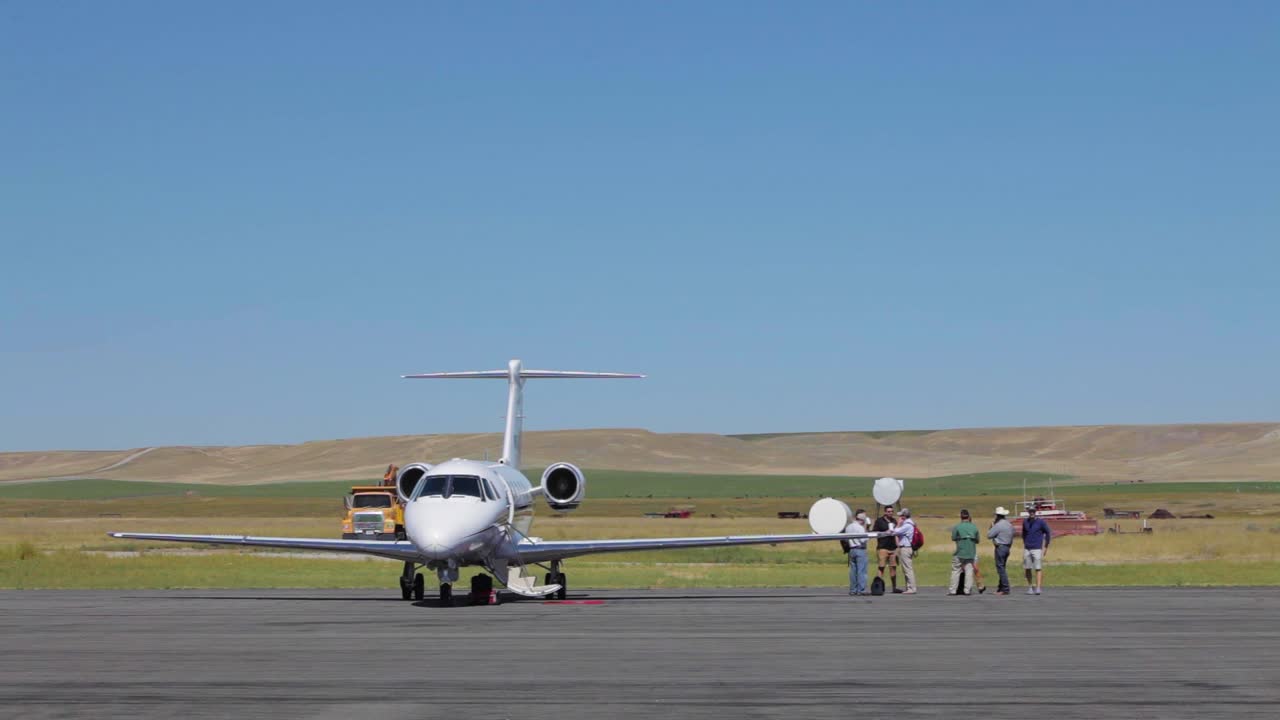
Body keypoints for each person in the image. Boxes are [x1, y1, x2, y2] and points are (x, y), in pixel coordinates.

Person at [1022, 505, 1052, 595]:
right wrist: (1025, 543)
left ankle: (1038, 588)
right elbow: (1023, 533)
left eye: (1033, 511)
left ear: (1035, 512)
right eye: (1030, 511)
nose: (1032, 513)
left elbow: (1048, 532)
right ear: (1028, 512)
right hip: (1027, 548)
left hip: (1037, 548)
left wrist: (1046, 546)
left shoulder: (1041, 522)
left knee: (1038, 568)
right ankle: (1030, 587)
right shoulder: (1025, 522)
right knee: (1027, 568)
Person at [949, 509, 980, 595]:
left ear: (961, 517)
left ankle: (952, 590)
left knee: (955, 570)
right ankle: (967, 590)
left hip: (960, 552)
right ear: (969, 517)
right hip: (971, 552)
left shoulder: (957, 527)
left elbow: (953, 538)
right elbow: (977, 540)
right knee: (969, 571)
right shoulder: (974, 527)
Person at [987, 506, 1014, 595]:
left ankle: (1005, 588)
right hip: (1007, 547)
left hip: (1000, 547)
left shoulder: (998, 525)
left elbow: (989, 535)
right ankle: (1001, 587)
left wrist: (991, 527)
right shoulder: (1009, 524)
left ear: (998, 516)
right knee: (1002, 567)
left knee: (1000, 568)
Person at [890, 507, 918, 594]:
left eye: (901, 516)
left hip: (906, 548)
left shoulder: (907, 525)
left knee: (907, 569)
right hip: (908, 548)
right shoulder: (911, 524)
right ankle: (909, 587)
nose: (900, 517)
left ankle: (911, 588)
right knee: (907, 568)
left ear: (904, 516)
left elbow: (894, 532)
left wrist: (898, 524)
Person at [872, 506, 899, 592]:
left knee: (893, 567)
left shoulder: (894, 521)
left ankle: (894, 588)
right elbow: (874, 532)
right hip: (882, 547)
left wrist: (898, 547)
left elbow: (897, 534)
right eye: (888, 511)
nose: (890, 513)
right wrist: (884, 532)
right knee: (881, 567)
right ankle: (878, 587)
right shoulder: (879, 521)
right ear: (885, 512)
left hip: (893, 548)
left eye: (891, 511)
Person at [845, 509, 870, 595]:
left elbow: (845, 539)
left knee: (853, 571)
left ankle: (853, 589)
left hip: (852, 549)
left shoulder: (849, 527)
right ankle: (861, 590)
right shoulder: (860, 528)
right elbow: (864, 540)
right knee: (861, 571)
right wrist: (866, 528)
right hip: (860, 549)